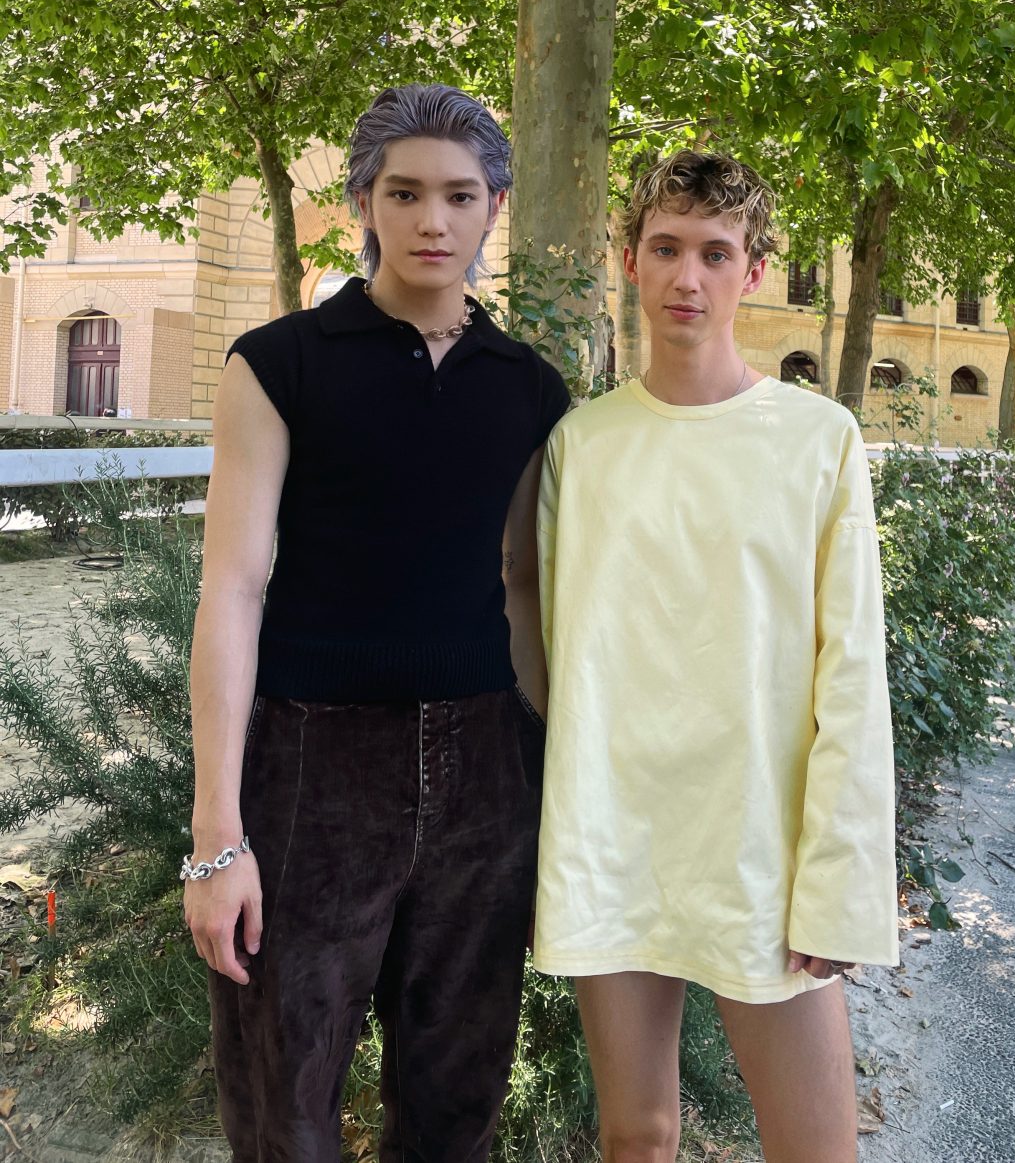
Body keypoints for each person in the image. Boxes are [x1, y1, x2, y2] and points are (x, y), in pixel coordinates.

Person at [183, 84, 570, 1162]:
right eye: (403, 193)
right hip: (311, 770)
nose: (431, 220)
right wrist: (216, 837)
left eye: (459, 195)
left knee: (457, 1102)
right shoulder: (279, 363)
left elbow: (523, 589)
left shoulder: (530, 389)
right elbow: (232, 586)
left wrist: (550, 780)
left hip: (486, 771)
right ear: (363, 200)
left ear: (494, 205)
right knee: (284, 1100)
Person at [533, 150, 899, 1163]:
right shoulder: (582, 444)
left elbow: (850, 677)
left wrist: (836, 883)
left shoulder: (816, 439)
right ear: (630, 261)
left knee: (816, 1149)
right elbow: (555, 656)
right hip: (613, 837)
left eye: (714, 252)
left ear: (754, 269)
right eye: (664, 248)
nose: (686, 277)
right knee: (635, 1134)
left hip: (759, 848)